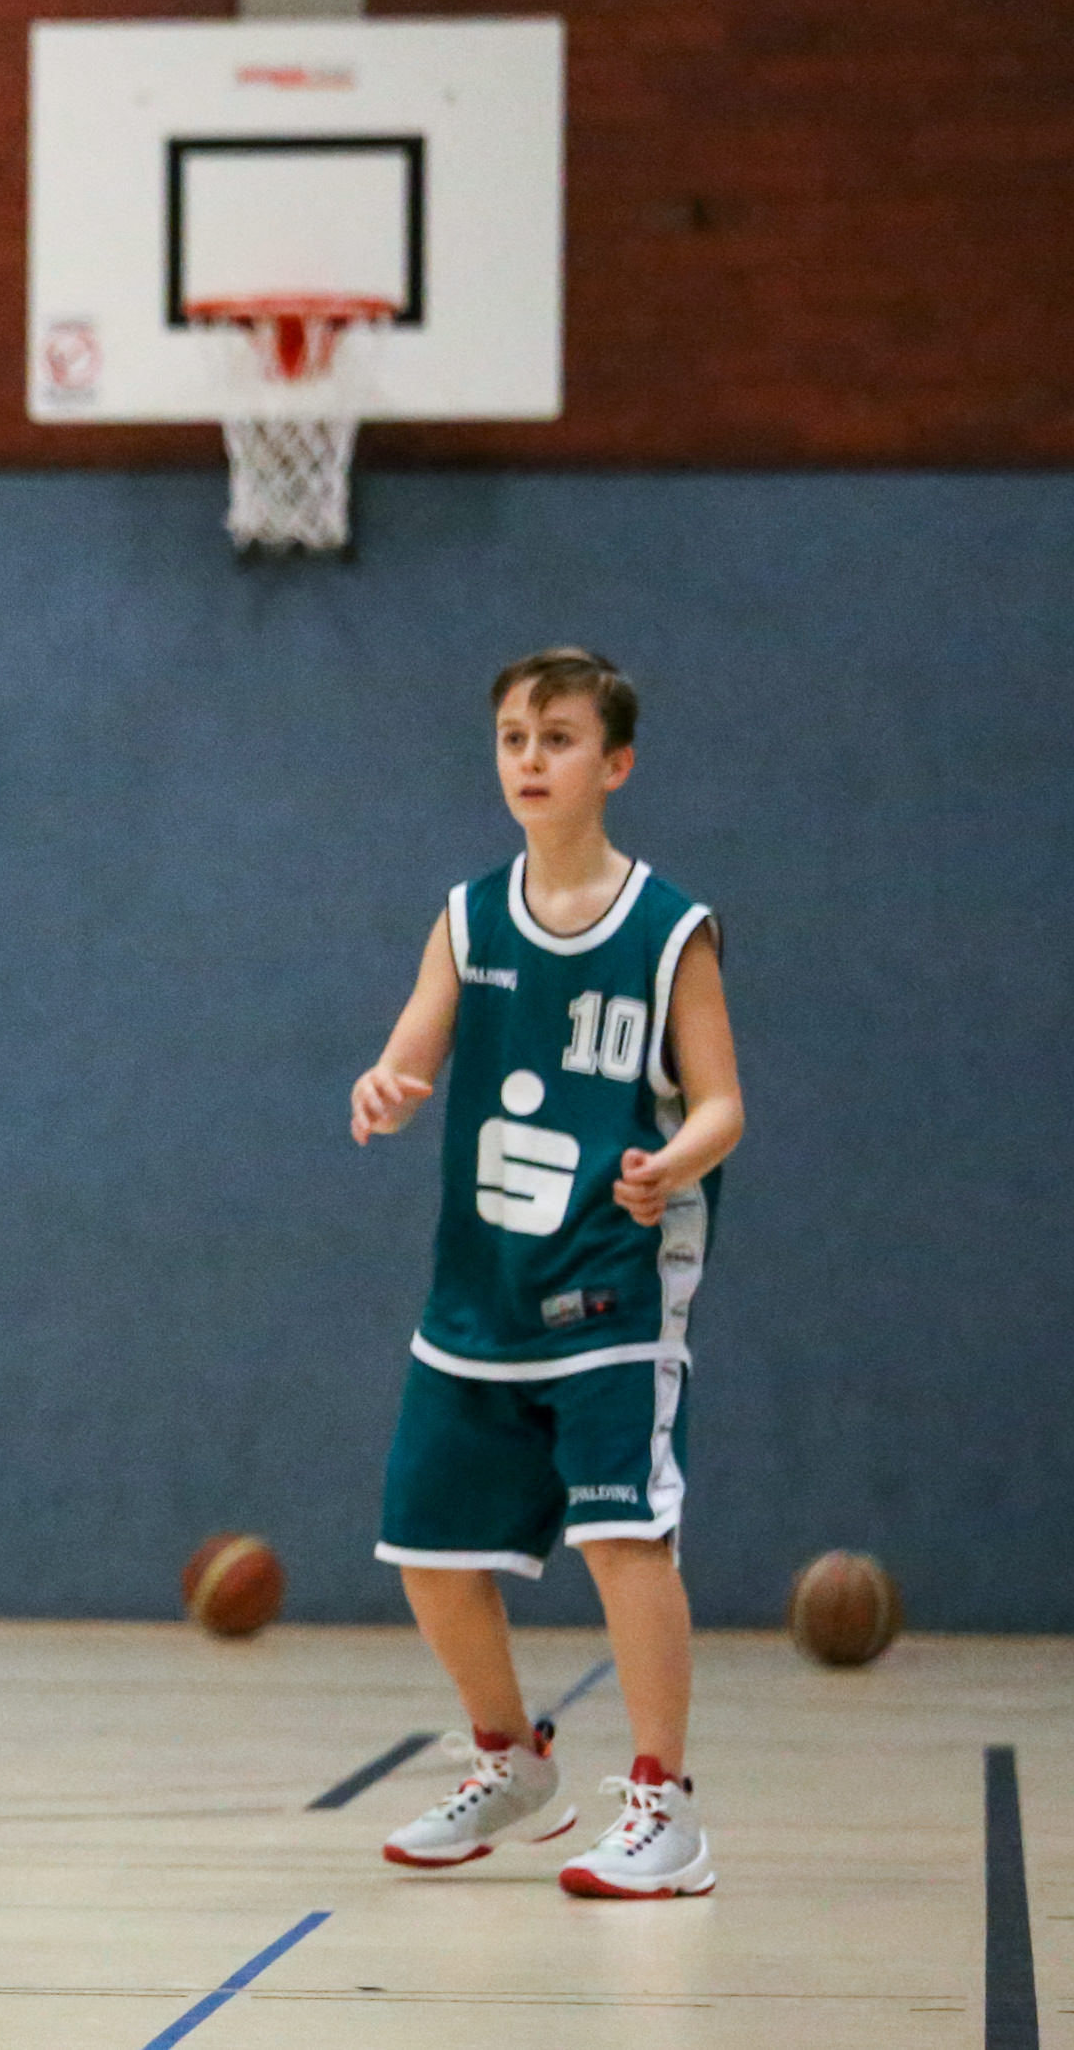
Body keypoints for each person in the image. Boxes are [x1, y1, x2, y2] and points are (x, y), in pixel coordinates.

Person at [350, 646, 745, 1898]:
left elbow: (722, 1103)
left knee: (623, 1537)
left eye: (559, 738)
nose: (530, 758)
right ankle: (512, 1758)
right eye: (514, 737)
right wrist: (387, 1087)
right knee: (425, 1546)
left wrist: (670, 1158)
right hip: (481, 1287)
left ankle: (664, 1807)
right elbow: (409, 1053)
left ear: (613, 763)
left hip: (615, 1282)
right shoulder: (467, 916)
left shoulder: (667, 928)